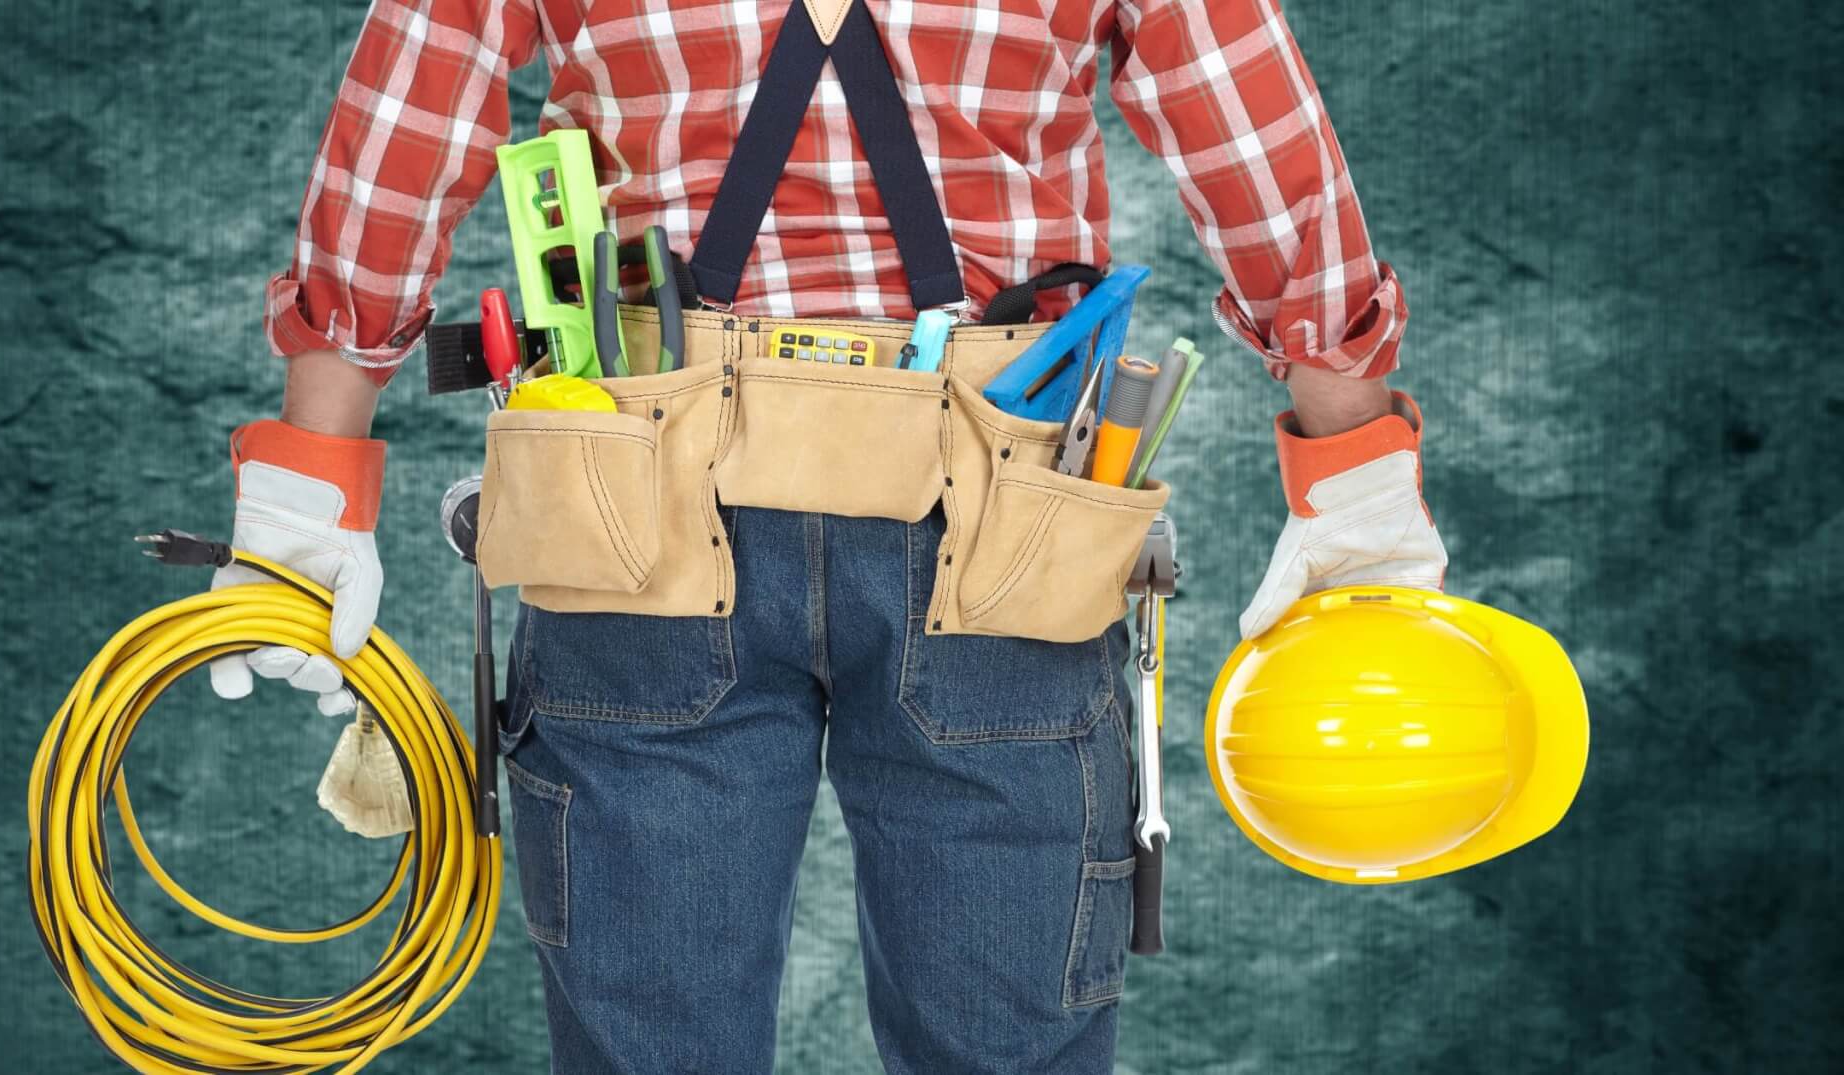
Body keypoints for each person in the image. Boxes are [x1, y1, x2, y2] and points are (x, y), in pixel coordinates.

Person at [213, 0, 1448, 1070]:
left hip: (637, 507)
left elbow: (412, 103)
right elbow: (1242, 116)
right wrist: (1349, 466)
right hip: (999, 517)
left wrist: (316, 469)